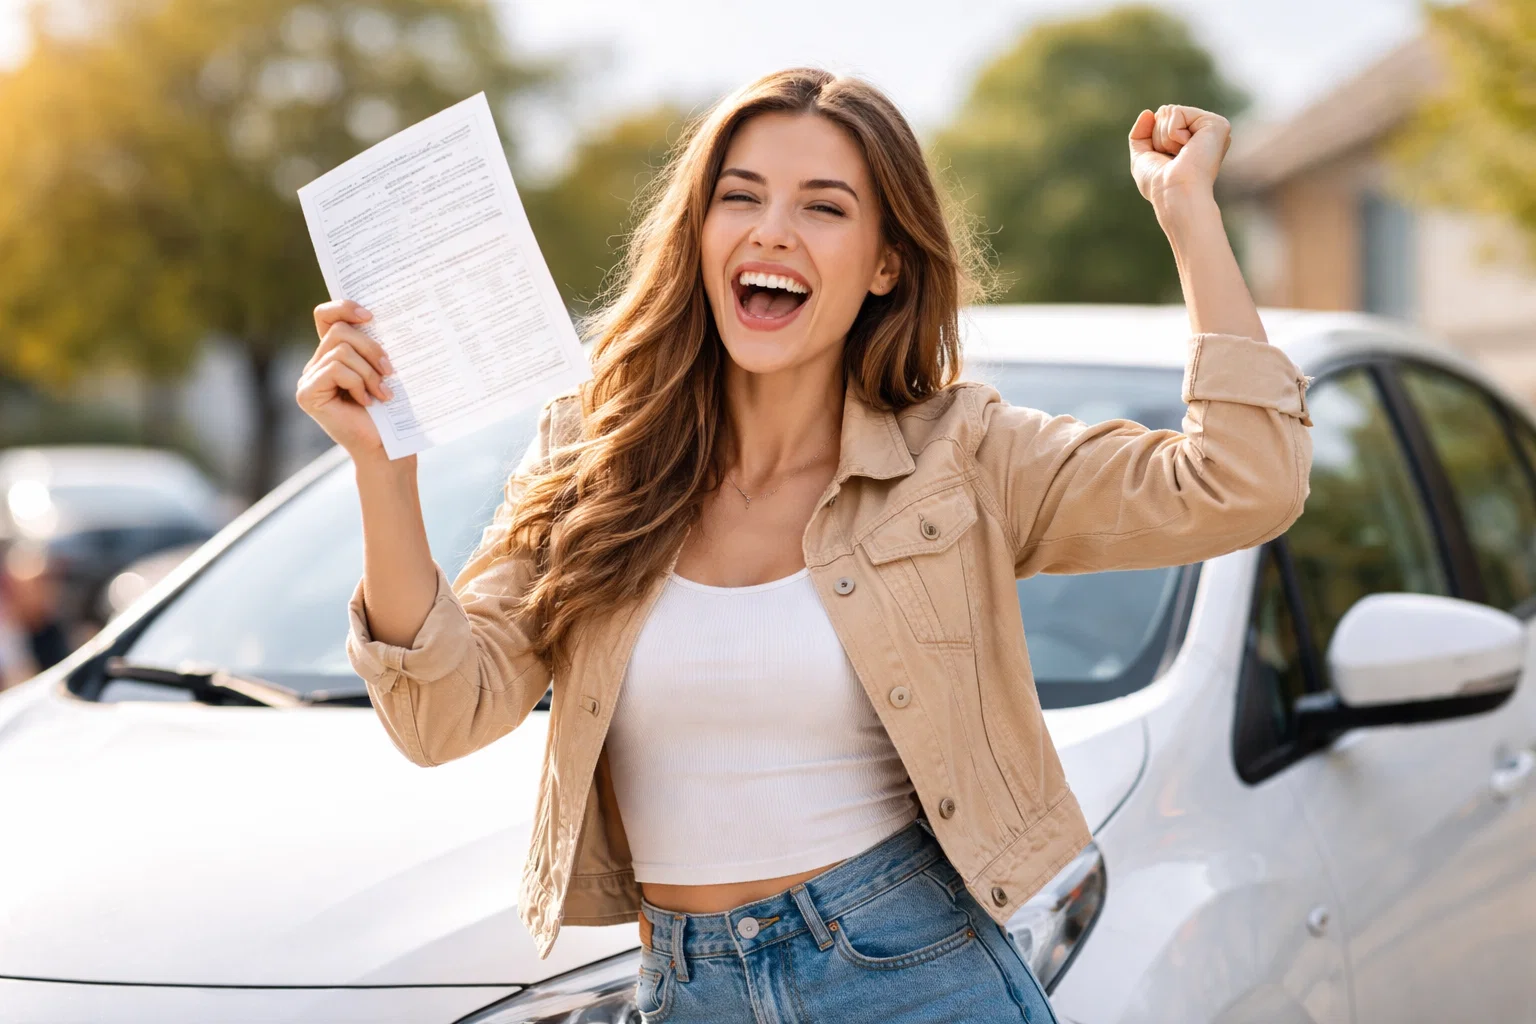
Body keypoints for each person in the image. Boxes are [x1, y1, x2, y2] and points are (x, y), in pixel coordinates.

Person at [297, 68, 1313, 1023]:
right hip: (683, 987)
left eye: (823, 206)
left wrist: (1189, 218)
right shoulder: (594, 456)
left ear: (883, 264)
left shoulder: (959, 455)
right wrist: (384, 470)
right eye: (741, 197)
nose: (772, 231)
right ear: (699, 233)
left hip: (911, 971)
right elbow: (441, 713)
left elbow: (1243, 481)